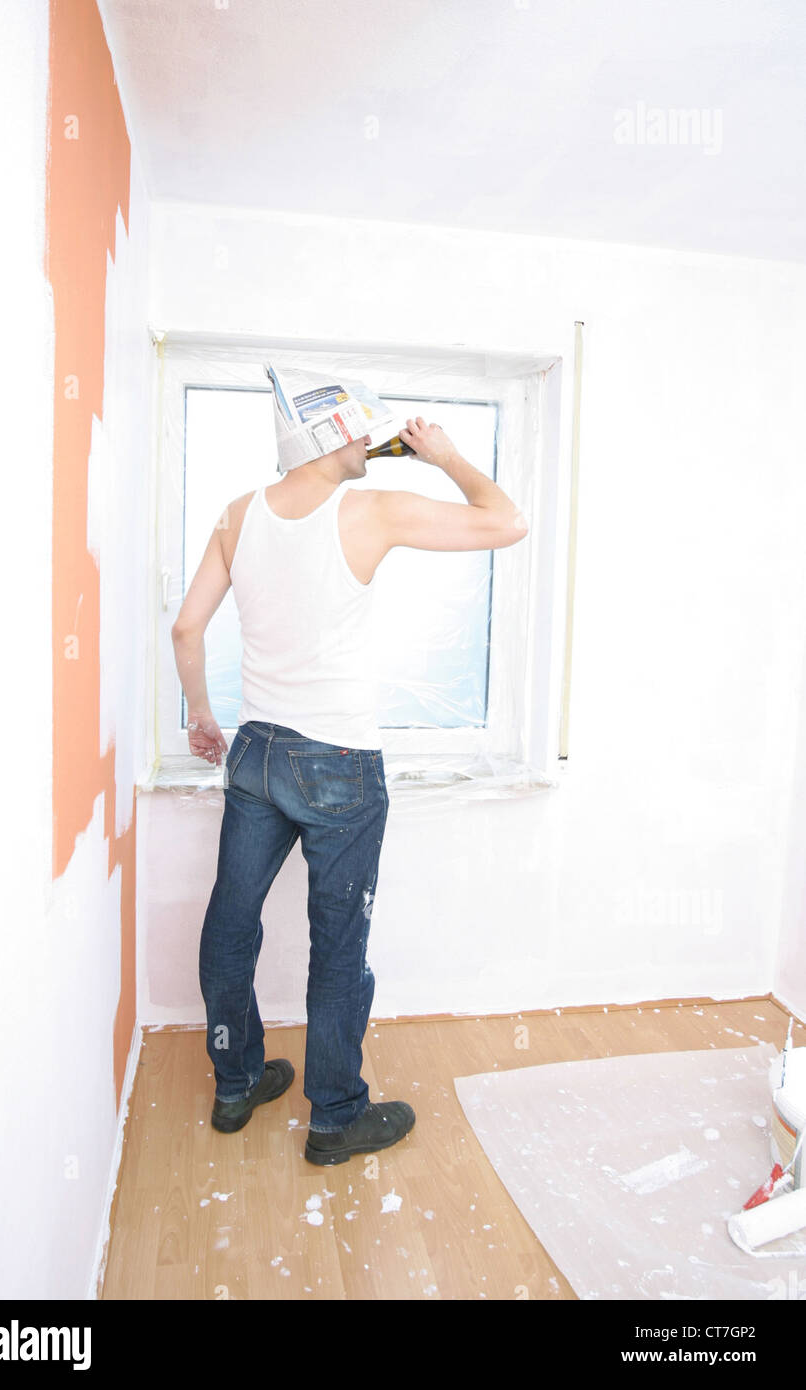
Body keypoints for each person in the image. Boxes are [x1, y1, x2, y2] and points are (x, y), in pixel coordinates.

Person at [171, 411, 528, 1166]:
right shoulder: (373, 508)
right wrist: (447, 456)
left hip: (257, 754)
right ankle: (334, 1119)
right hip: (336, 760)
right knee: (339, 947)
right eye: (357, 432)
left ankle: (236, 1083)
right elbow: (506, 522)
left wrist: (202, 716)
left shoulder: (238, 515)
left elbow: (186, 629)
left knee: (230, 925)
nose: (370, 443)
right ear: (326, 440)